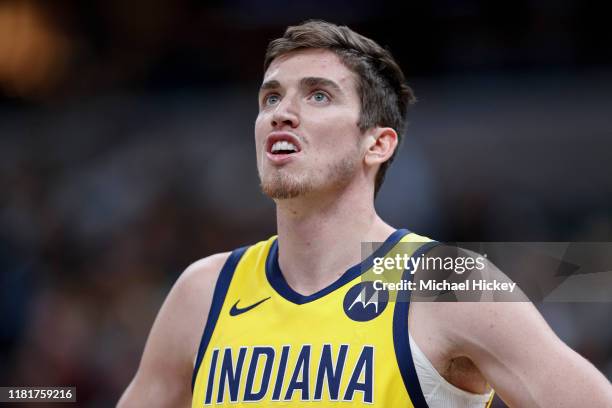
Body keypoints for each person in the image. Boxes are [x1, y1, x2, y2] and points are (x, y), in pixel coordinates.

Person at [118, 20, 612, 407]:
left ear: (376, 143)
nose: (281, 112)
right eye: (271, 96)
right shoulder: (203, 292)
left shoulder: (446, 282)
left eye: (318, 95)